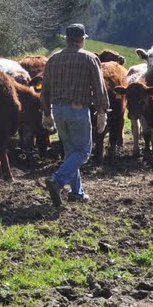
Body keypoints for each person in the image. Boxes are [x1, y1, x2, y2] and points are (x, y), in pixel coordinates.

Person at [41, 23, 110, 207]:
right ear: (82, 39)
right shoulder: (89, 58)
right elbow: (98, 86)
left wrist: (47, 113)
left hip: (57, 110)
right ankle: (57, 180)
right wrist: (102, 111)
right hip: (77, 109)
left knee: (71, 152)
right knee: (83, 151)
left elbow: (45, 89)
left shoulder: (53, 59)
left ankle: (76, 193)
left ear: (66, 39)